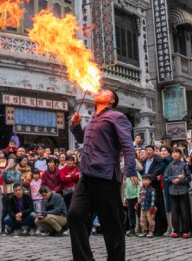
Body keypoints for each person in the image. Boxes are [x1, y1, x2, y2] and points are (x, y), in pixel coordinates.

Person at [69, 88, 138, 261]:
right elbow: (82, 140)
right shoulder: (93, 117)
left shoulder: (117, 117)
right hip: (86, 175)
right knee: (75, 214)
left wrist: (130, 169)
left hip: (106, 177)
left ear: (112, 100)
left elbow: (127, 145)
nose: (99, 91)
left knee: (112, 225)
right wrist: (76, 126)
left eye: (105, 91)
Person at [163, 147, 191, 239]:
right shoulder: (169, 165)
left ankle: (186, 230)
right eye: (173, 153)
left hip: (183, 190)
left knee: (184, 211)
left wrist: (180, 181)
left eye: (177, 153)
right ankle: (175, 230)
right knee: (174, 211)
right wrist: (174, 179)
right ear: (171, 155)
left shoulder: (184, 165)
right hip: (172, 190)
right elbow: (166, 177)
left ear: (180, 154)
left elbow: (188, 178)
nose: (175, 154)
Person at [140, 144, 167, 236]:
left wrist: (147, 178)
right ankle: (147, 230)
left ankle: (159, 229)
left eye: (150, 150)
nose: (148, 152)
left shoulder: (158, 160)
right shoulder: (143, 162)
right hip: (145, 188)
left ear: (153, 151)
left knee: (156, 207)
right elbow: (142, 173)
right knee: (146, 209)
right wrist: (146, 179)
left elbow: (157, 172)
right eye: (146, 150)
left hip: (155, 187)